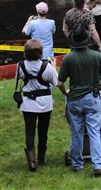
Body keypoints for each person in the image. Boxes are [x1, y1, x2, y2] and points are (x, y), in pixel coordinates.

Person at [57, 25, 101, 177]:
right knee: (94, 132)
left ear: (72, 42)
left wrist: (66, 92)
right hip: (92, 99)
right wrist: (98, 88)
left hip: (74, 100)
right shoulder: (95, 56)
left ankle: (77, 164)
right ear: (87, 40)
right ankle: (97, 166)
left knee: (76, 133)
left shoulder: (68, 58)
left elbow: (60, 83)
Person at [16, 39, 58, 172]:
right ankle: (41, 158)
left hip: (28, 103)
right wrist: (54, 67)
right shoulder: (47, 66)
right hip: (45, 103)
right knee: (43, 130)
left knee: (29, 131)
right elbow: (56, 82)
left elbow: (19, 78)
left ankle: (32, 162)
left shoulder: (20, 65)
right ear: (40, 52)